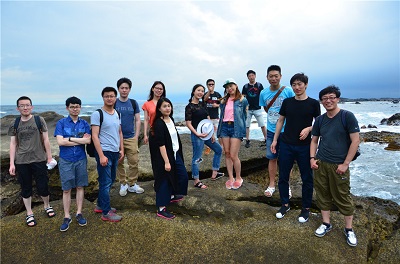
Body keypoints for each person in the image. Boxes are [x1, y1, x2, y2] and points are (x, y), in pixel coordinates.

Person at [310, 85, 360, 247]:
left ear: (338, 98)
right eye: (325, 99)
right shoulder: (320, 120)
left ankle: (349, 229)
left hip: (339, 165)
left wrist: (345, 164)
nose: (328, 101)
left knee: (342, 195)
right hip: (321, 163)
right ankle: (326, 223)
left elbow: (355, 141)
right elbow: (314, 140)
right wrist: (312, 158)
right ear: (321, 102)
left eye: (332, 97)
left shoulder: (347, 116)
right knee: (322, 193)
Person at [271, 73, 320, 222]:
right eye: (294, 85)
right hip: (286, 143)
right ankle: (285, 204)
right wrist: (274, 140)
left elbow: (318, 123)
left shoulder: (313, 103)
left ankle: (305, 208)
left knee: (307, 178)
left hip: (305, 147)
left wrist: (308, 129)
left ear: (306, 85)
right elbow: (280, 121)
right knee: (283, 176)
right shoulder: (287, 102)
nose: (297, 87)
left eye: (300, 84)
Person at [8, 96, 56, 227]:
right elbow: (13, 143)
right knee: (26, 187)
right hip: (21, 160)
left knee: (43, 185)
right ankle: (29, 213)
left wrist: (49, 157)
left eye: (27, 105)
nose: (25, 107)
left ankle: (47, 205)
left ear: (32, 107)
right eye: (22, 105)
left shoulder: (39, 120)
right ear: (18, 108)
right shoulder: (15, 123)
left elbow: (46, 139)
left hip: (39, 158)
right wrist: (12, 163)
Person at [54, 96, 91, 231]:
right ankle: (66, 216)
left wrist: (69, 138)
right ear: (67, 108)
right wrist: (79, 140)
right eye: (72, 107)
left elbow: (88, 141)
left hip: (81, 159)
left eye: (77, 106)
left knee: (80, 186)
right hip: (65, 160)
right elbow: (60, 142)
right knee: (66, 189)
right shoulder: (61, 123)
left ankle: (79, 213)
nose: (75, 109)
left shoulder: (85, 124)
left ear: (80, 108)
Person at [259, 65, 295, 198]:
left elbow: (294, 107)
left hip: (287, 131)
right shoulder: (263, 93)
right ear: (267, 77)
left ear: (280, 76)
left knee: (287, 160)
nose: (273, 78)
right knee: (272, 158)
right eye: (271, 76)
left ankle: (286, 185)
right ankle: (272, 185)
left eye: (276, 76)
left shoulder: (289, 91)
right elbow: (266, 108)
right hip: (271, 131)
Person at [151, 97, 188, 219]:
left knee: (182, 175)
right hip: (165, 156)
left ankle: (172, 195)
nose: (168, 108)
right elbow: (161, 144)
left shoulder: (170, 119)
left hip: (175, 153)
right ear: (159, 109)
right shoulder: (159, 124)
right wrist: (166, 162)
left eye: (169, 106)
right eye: (165, 106)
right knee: (164, 180)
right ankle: (161, 208)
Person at [91, 87, 124, 222]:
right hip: (104, 152)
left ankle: (100, 205)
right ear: (103, 98)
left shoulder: (117, 113)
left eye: (112, 96)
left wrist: (122, 149)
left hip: (115, 152)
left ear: (115, 97)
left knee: (110, 180)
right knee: (105, 182)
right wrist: (101, 155)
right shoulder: (98, 114)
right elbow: (94, 135)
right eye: (106, 96)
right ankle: (106, 212)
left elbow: (119, 132)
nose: (109, 98)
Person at [185, 84, 224, 189]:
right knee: (197, 158)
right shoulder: (189, 107)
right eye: (198, 90)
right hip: (197, 135)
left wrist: (211, 133)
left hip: (207, 134)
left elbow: (208, 119)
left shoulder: (203, 104)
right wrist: (197, 133)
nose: (200, 92)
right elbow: (188, 123)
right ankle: (196, 180)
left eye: (202, 91)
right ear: (193, 92)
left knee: (219, 149)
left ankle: (215, 173)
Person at [115, 77, 144, 196]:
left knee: (134, 161)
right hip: (116, 138)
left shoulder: (133, 102)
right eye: (122, 88)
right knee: (119, 162)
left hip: (131, 137)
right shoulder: (114, 102)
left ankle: (132, 184)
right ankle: (123, 183)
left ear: (130, 89)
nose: (124, 90)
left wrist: (136, 135)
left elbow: (138, 120)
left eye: (126, 88)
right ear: (118, 89)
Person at [217, 78, 248, 190]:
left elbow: (244, 115)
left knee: (234, 155)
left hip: (236, 128)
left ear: (236, 85)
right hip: (225, 127)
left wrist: (242, 129)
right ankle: (231, 178)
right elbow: (222, 116)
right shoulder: (223, 101)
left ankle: (239, 177)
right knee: (227, 153)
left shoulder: (242, 100)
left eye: (231, 86)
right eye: (227, 87)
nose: (229, 88)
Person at [242, 70, 267, 148]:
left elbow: (263, 95)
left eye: (252, 75)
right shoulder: (245, 86)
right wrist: (244, 107)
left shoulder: (259, 85)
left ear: (255, 76)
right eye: (250, 76)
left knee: (262, 124)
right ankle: (247, 140)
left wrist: (264, 106)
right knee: (247, 125)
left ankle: (266, 139)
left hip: (258, 108)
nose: (251, 77)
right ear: (248, 77)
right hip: (248, 109)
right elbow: (243, 97)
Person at [203, 79, 222, 154]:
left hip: (215, 116)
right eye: (209, 84)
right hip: (207, 117)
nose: (211, 86)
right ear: (207, 85)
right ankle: (208, 147)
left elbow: (222, 104)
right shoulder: (205, 94)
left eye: (212, 84)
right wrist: (209, 92)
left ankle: (218, 147)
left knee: (216, 133)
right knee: (208, 133)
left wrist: (217, 105)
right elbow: (204, 99)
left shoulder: (217, 95)